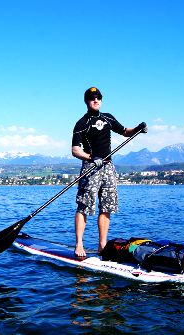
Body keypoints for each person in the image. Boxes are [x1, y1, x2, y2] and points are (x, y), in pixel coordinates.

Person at [71, 87, 147, 258]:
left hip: (108, 167)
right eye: (92, 98)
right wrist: (90, 158)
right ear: (87, 101)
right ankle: (79, 244)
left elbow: (126, 132)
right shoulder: (82, 123)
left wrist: (138, 128)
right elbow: (75, 150)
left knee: (107, 206)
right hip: (91, 167)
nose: (96, 100)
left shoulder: (108, 118)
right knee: (84, 206)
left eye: (98, 98)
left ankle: (102, 245)